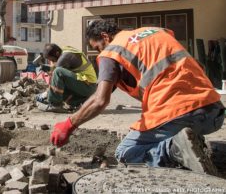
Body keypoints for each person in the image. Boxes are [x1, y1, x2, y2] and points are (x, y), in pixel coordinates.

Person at [50, 20, 225, 175]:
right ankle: (207, 151)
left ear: (105, 37)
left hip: (176, 112)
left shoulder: (112, 51)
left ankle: (173, 151)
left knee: (126, 152)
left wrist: (69, 124)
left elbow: (100, 99)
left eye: (97, 47)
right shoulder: (157, 32)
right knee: (173, 133)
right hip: (213, 112)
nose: (99, 52)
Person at [36, 43, 97, 112]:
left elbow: (56, 75)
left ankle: (55, 105)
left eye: (52, 59)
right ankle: (80, 101)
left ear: (57, 53)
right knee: (60, 94)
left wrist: (44, 95)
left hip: (88, 85)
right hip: (87, 85)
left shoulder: (65, 57)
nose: (52, 61)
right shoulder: (65, 51)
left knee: (58, 72)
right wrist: (47, 68)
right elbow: (59, 69)